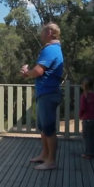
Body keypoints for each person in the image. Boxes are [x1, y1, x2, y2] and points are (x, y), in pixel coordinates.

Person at [20, 22, 63, 170]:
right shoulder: (53, 49)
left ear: (50, 32)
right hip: (46, 93)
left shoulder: (50, 49)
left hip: (48, 93)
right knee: (44, 128)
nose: (40, 34)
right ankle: (44, 155)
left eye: (42, 31)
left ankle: (51, 161)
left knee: (49, 129)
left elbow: (38, 71)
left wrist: (27, 73)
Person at [79, 77, 94, 160]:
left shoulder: (84, 96)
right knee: (92, 137)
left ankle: (88, 154)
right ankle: (92, 152)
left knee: (86, 137)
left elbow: (83, 108)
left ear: (84, 86)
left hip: (87, 119)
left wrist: (80, 115)